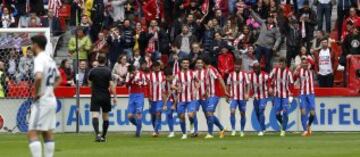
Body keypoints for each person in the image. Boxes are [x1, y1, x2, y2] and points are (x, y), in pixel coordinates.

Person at [28, 35, 61, 157]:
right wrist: (49, 90)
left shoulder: (39, 59)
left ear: (36, 45)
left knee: (32, 132)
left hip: (42, 102)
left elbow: (39, 77)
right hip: (51, 99)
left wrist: (36, 93)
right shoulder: (49, 59)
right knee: (47, 132)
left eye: (32, 44)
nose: (31, 47)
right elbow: (59, 78)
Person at [88, 54, 117, 142]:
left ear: (97, 60)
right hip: (105, 95)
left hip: (95, 95)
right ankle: (104, 136)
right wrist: (115, 96)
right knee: (105, 116)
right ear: (105, 61)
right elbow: (111, 85)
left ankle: (97, 134)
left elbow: (89, 83)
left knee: (95, 115)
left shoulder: (93, 71)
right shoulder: (108, 71)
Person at [203, 57, 228, 139]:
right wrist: (206, 92)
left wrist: (225, 90)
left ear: (203, 62)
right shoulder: (207, 71)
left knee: (209, 112)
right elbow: (209, 84)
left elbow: (220, 78)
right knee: (209, 113)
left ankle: (210, 134)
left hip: (215, 95)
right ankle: (222, 129)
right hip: (210, 95)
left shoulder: (211, 69)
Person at [174, 58, 198, 139]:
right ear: (181, 64)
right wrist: (177, 89)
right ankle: (184, 133)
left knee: (190, 115)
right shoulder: (177, 75)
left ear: (188, 64)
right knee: (181, 117)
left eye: (187, 63)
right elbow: (172, 85)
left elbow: (198, 82)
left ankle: (191, 124)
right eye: (184, 63)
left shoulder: (192, 73)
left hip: (191, 99)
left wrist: (196, 89)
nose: (185, 64)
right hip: (181, 99)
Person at [269, 57, 294, 137]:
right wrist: (270, 87)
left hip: (285, 96)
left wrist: (291, 93)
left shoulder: (288, 72)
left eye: (282, 63)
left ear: (285, 64)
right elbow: (269, 79)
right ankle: (283, 124)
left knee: (285, 112)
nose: (281, 65)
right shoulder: (275, 70)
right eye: (279, 63)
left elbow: (291, 84)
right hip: (277, 96)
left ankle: (283, 130)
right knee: (276, 114)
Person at [226, 59, 250, 137]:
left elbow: (248, 84)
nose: (237, 66)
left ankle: (242, 130)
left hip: (242, 98)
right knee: (232, 111)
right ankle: (233, 130)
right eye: (236, 65)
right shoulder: (231, 74)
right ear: (234, 65)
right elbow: (228, 85)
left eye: (238, 65)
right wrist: (227, 95)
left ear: (240, 66)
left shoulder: (244, 74)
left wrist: (247, 94)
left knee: (242, 113)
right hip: (234, 97)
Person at [294, 57, 316, 137]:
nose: (305, 64)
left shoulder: (311, 69)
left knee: (313, 113)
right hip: (302, 94)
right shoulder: (299, 71)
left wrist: (307, 57)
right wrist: (295, 72)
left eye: (306, 63)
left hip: (311, 94)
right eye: (303, 63)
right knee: (303, 112)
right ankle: (305, 130)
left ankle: (309, 125)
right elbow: (294, 78)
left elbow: (313, 64)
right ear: (301, 64)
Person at [123, 64, 147, 137]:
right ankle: (139, 126)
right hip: (132, 95)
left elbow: (145, 84)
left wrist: (145, 95)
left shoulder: (142, 74)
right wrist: (131, 78)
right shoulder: (128, 75)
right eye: (131, 72)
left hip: (140, 95)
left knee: (139, 114)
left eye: (133, 71)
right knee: (129, 116)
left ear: (135, 69)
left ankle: (138, 132)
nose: (133, 72)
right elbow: (127, 85)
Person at [249, 60, 271, 136]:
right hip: (255, 97)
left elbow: (268, 84)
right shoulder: (250, 75)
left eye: (257, 68)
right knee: (257, 112)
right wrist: (248, 93)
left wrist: (270, 89)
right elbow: (248, 85)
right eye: (254, 69)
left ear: (260, 68)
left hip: (263, 96)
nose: (255, 70)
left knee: (261, 110)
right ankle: (263, 127)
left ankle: (261, 130)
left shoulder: (265, 75)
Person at [147, 62, 165, 137]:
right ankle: (156, 130)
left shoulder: (163, 75)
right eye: (155, 66)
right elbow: (147, 87)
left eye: (158, 66)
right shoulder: (149, 76)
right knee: (153, 115)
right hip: (152, 98)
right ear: (153, 68)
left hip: (160, 98)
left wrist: (165, 99)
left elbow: (164, 88)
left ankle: (155, 131)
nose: (157, 68)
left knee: (158, 113)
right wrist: (148, 96)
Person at [162, 67, 177, 138]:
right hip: (170, 100)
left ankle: (190, 130)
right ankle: (171, 131)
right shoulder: (164, 83)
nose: (168, 78)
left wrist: (174, 104)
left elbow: (179, 93)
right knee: (168, 114)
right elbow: (164, 94)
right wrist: (164, 104)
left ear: (172, 75)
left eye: (169, 76)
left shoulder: (177, 81)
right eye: (166, 77)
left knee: (181, 114)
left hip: (179, 99)